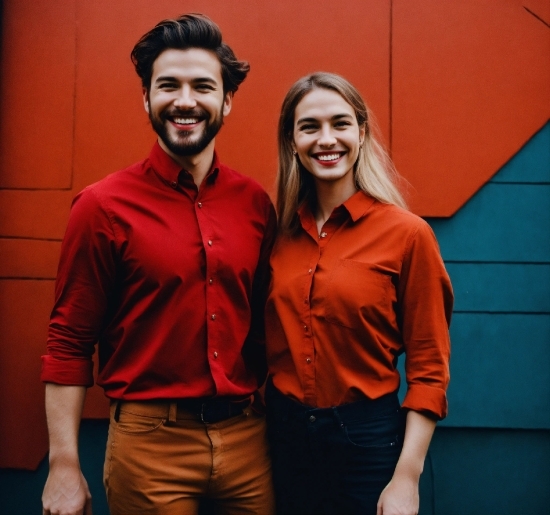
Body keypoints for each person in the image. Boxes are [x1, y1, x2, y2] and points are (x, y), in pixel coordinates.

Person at [41, 14, 276, 515]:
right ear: (147, 98)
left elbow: (264, 331)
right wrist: (63, 464)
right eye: (168, 85)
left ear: (227, 101)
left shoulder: (256, 204)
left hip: (248, 443)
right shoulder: (101, 206)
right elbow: (68, 339)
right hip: (150, 449)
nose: (185, 100)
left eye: (203, 86)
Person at [264, 72, 453, 515]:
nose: (326, 138)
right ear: (292, 141)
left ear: (361, 132)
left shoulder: (408, 235)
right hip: (282, 438)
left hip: (367, 442)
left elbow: (429, 368)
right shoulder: (277, 235)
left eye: (341, 123)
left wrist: (406, 476)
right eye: (309, 126)